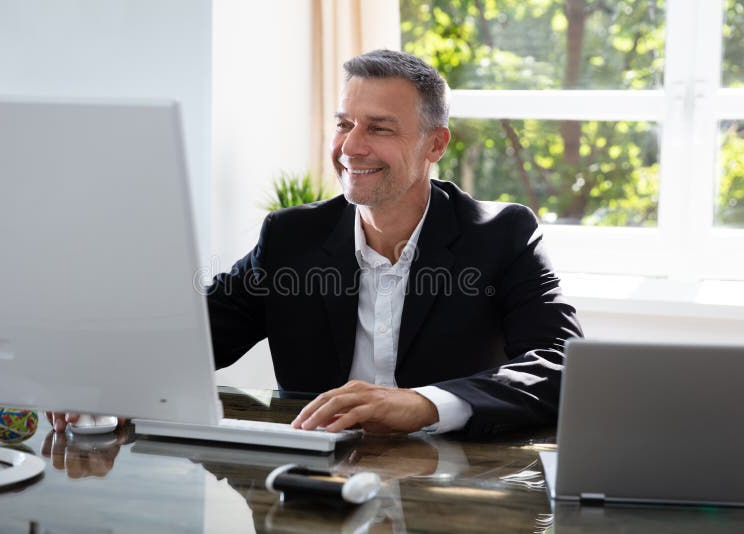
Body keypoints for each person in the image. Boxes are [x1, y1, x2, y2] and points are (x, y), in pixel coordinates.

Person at [48, 49, 581, 438]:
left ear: (434, 144)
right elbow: (196, 333)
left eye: (378, 128)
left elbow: (562, 364)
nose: (351, 146)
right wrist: (105, 381)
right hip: (310, 478)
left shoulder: (503, 234)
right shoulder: (290, 237)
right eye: (344, 124)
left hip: (456, 481)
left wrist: (425, 404)